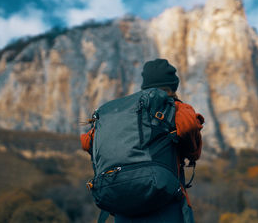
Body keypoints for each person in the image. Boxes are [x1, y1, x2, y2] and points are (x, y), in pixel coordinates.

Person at [80, 58, 204, 223]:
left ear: (145, 86)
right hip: (165, 204)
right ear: (173, 86)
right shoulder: (175, 108)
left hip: (124, 207)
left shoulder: (121, 113)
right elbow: (190, 132)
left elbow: (86, 141)